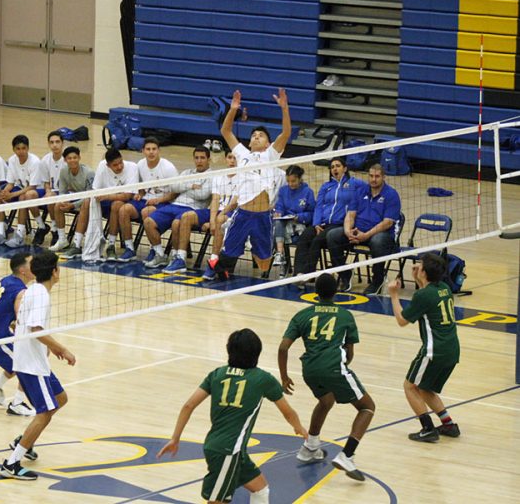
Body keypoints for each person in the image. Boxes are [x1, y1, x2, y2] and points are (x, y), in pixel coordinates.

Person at [158, 329, 307, 504]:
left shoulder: (217, 374)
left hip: (226, 448)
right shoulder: (263, 379)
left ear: (229, 350)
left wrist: (175, 438)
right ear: (257, 353)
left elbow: (188, 405)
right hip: (228, 451)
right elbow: (287, 412)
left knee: (260, 489)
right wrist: (298, 427)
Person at [278, 273, 375, 481]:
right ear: (337, 290)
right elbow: (349, 354)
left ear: (315, 292)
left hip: (309, 370)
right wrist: (339, 368)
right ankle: (347, 455)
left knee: (326, 400)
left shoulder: (302, 315)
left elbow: (283, 347)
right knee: (367, 407)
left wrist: (284, 376)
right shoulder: (345, 316)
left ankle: (310, 446)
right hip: (333, 368)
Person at [1, 251, 76, 480]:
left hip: (32, 360)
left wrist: (48, 346)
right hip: (31, 365)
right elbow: (36, 329)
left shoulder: (33, 289)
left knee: (60, 399)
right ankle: (11, 463)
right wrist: (61, 348)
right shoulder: (40, 294)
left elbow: (20, 324)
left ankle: (24, 439)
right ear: (54, 272)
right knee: (44, 413)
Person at [205, 89, 291, 281]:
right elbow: (225, 131)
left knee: (264, 263)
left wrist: (284, 108)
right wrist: (233, 109)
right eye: (254, 135)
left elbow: (286, 133)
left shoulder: (271, 155)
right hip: (243, 214)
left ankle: (249, 249)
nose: (256, 137)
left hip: (262, 217)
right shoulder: (242, 154)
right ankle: (217, 265)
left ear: (269, 144)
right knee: (228, 252)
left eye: (261, 135)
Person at [387, 254, 461, 443]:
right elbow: (427, 297)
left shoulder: (423, 295)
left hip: (433, 351)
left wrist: (394, 296)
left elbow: (402, 320)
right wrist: (419, 280)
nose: (415, 266)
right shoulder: (444, 288)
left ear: (424, 272)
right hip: (452, 349)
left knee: (409, 386)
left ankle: (428, 429)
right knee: (425, 387)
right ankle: (448, 424)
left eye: (419, 265)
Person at [327, 164, 401, 295]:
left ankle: (377, 280)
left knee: (378, 241)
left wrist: (366, 235)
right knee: (332, 235)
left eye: (377, 176)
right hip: (358, 232)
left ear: (384, 177)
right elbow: (350, 214)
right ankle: (345, 274)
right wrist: (347, 231)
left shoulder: (391, 195)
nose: (373, 179)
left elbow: (387, 223)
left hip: (381, 235)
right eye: (371, 176)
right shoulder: (361, 191)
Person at [0, 253, 36, 416]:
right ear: (23, 270)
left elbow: (2, 309)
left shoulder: (6, 280)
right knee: (27, 365)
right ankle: (17, 403)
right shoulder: (21, 291)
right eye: (32, 264)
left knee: (19, 360)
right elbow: (21, 321)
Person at [293, 157, 365, 283]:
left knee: (317, 240)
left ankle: (308, 274)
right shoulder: (326, 186)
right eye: (332, 167)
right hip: (323, 224)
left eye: (337, 166)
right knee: (305, 236)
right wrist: (316, 224)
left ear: (345, 168)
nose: (334, 169)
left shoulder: (354, 184)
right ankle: (298, 272)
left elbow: (369, 190)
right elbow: (318, 206)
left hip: (339, 225)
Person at [143, 146, 212, 272]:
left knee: (176, 224)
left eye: (202, 158)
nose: (199, 161)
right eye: (196, 158)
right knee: (148, 221)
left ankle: (178, 258)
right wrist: (191, 185)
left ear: (208, 160)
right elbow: (173, 187)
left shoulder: (213, 176)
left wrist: (182, 186)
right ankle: (160, 254)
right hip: (174, 205)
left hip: (193, 209)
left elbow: (203, 195)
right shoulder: (186, 173)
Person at [115, 138, 178, 262]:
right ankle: (129, 249)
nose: (151, 152)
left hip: (164, 202)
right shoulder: (140, 164)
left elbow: (175, 192)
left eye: (154, 149)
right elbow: (142, 187)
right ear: (143, 151)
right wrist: (140, 193)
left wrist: (158, 200)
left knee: (147, 212)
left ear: (159, 150)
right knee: (123, 210)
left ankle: (154, 250)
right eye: (148, 149)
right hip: (146, 200)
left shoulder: (168, 167)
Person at [0, 135, 46, 248]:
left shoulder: (35, 162)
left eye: (23, 148)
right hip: (20, 188)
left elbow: (32, 187)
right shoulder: (12, 160)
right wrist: (4, 193)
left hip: (37, 190)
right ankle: (0, 232)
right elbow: (10, 183)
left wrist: (12, 194)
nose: (21, 151)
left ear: (28, 148)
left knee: (23, 197)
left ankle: (20, 234)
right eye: (18, 149)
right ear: (13, 149)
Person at [89, 148, 138, 260]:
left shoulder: (132, 167)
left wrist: (107, 196)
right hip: (106, 201)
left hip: (123, 203)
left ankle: (111, 245)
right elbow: (95, 190)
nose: (119, 167)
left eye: (120, 162)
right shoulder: (102, 166)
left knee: (116, 205)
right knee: (88, 202)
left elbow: (127, 196)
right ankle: (79, 243)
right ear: (108, 165)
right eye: (115, 165)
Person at [49, 146, 94, 257]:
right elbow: (62, 193)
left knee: (86, 202)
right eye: (69, 158)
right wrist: (64, 202)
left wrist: (72, 205)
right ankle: (62, 240)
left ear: (79, 158)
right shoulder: (64, 171)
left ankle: (77, 245)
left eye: (75, 157)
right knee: (58, 204)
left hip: (90, 202)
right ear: (65, 160)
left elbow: (90, 196)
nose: (72, 160)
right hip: (76, 199)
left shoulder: (89, 173)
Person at [202, 152, 240, 280]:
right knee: (187, 216)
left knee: (221, 220)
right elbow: (215, 199)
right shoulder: (219, 176)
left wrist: (219, 217)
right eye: (230, 157)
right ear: (225, 159)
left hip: (234, 213)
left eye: (235, 158)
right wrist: (212, 220)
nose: (232, 161)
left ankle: (213, 261)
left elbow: (235, 203)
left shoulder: (244, 177)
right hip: (218, 212)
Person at [271, 165, 315, 271]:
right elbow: (280, 206)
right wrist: (278, 212)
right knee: (277, 223)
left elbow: (312, 213)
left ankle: (293, 268)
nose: (290, 184)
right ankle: (280, 254)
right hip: (285, 224)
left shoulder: (308, 192)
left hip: (300, 225)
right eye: (288, 181)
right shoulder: (283, 191)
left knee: (277, 231)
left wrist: (299, 217)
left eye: (293, 181)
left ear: (300, 179)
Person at [34, 131, 67, 246]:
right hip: (51, 190)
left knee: (52, 198)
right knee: (29, 196)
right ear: (48, 144)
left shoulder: (67, 160)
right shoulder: (45, 161)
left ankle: (55, 229)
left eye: (57, 142)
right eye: (52, 142)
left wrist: (52, 193)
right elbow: (46, 183)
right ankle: (43, 226)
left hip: (65, 191)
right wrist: (48, 191)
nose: (55, 145)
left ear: (62, 143)